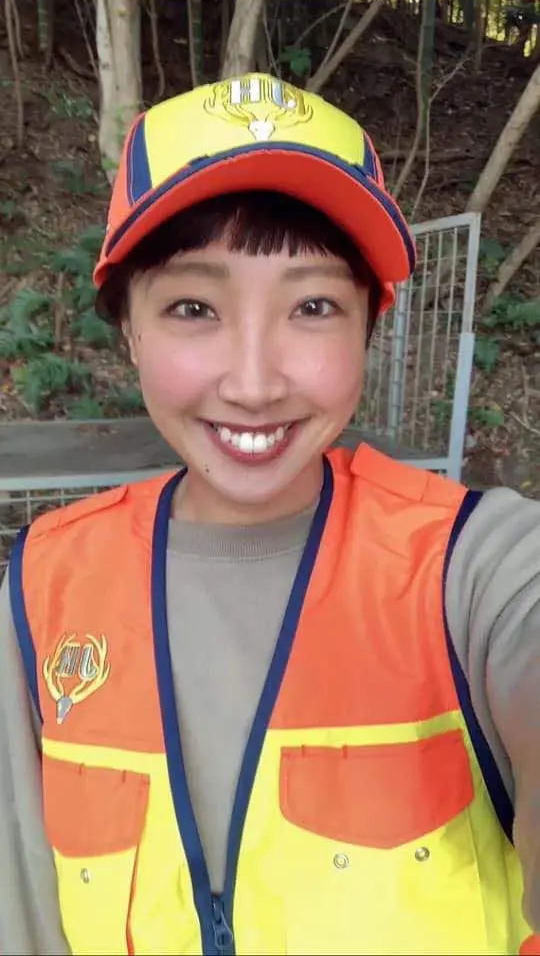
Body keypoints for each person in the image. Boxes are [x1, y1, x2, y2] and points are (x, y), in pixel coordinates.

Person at [1, 71, 540, 956]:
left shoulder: (476, 569)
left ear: (368, 325)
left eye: (313, 306)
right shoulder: (42, 587)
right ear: (128, 329)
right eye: (193, 308)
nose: (253, 384)